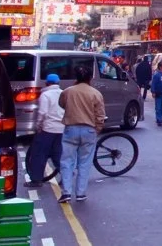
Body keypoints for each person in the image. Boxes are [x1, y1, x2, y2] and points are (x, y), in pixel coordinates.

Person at [56, 66, 105, 204]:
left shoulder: (68, 92)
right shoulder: (96, 93)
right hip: (89, 130)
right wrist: (98, 128)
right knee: (85, 162)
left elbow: (62, 104)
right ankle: (81, 193)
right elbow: (100, 115)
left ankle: (66, 192)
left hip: (71, 128)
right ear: (90, 78)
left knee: (67, 161)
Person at [25, 74, 64, 188]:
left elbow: (42, 113)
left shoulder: (45, 95)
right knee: (58, 153)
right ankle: (66, 174)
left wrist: (38, 126)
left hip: (47, 129)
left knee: (39, 154)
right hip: (61, 129)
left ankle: (36, 180)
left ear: (47, 83)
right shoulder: (63, 93)